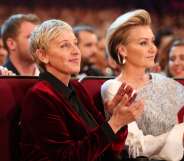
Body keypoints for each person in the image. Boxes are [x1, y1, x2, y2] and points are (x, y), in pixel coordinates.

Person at [20, 19, 144, 161]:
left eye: (75, 43)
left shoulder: (77, 88)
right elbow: (66, 157)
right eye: (65, 45)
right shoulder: (39, 96)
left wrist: (115, 117)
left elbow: (113, 147)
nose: (76, 51)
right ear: (43, 55)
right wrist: (114, 123)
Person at [101, 9, 184, 161]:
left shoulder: (164, 82)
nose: (153, 49)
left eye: (152, 41)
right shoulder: (114, 87)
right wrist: (180, 130)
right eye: (143, 43)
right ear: (122, 50)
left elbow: (175, 150)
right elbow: (136, 148)